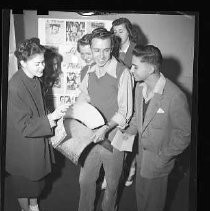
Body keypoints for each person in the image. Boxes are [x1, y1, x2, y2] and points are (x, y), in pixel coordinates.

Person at [5, 38, 70, 211]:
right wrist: (51, 118)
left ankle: (34, 205)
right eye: (38, 63)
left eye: (43, 62)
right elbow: (24, 126)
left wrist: (51, 115)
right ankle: (26, 209)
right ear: (22, 62)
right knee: (23, 186)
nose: (42, 67)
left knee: (36, 181)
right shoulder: (14, 87)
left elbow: (38, 109)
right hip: (23, 146)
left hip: (36, 139)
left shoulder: (34, 78)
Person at [124, 45, 191, 211]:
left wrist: (163, 158)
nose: (131, 69)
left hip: (159, 164)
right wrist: (125, 135)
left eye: (136, 66)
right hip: (141, 160)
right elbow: (136, 119)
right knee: (141, 201)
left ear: (151, 68)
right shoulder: (140, 89)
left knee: (153, 206)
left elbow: (185, 134)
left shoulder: (175, 96)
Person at [77, 27, 133, 211]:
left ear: (112, 48)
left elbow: (125, 112)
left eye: (106, 50)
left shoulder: (122, 73)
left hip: (114, 139)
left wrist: (105, 128)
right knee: (85, 182)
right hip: (92, 138)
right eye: (96, 50)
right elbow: (84, 97)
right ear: (90, 49)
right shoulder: (88, 71)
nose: (101, 56)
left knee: (111, 186)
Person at [111, 17, 137, 186]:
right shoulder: (111, 49)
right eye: (114, 32)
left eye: (121, 31)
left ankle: (131, 167)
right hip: (115, 98)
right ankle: (113, 172)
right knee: (114, 140)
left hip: (132, 98)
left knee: (126, 138)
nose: (117, 34)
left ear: (129, 31)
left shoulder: (137, 50)